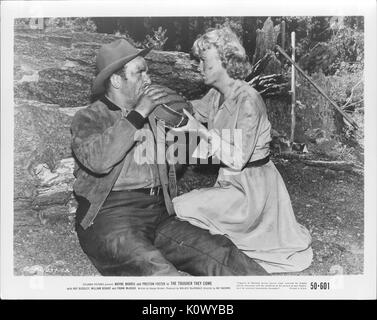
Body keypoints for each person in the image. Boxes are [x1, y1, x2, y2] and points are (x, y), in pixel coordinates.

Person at [71, 39, 268, 276]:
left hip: (158, 212)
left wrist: (188, 127)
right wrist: (139, 113)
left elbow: (182, 157)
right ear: (115, 80)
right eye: (140, 73)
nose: (149, 79)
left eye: (148, 72)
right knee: (157, 271)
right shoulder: (90, 117)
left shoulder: (156, 116)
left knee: (221, 253)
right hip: (111, 217)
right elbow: (99, 161)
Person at [171, 27, 313, 273]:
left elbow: (237, 160)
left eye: (203, 61)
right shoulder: (217, 93)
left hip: (253, 193)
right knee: (181, 208)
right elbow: (193, 110)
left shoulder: (249, 100)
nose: (198, 67)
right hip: (230, 183)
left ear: (225, 61)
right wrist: (159, 104)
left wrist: (200, 131)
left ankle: (237, 244)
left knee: (180, 207)